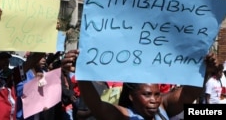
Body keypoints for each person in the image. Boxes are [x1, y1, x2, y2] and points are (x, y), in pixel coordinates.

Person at [61, 49, 219, 120]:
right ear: (131, 96)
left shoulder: (161, 108)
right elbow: (97, 105)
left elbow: (188, 94)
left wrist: (204, 71)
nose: (154, 100)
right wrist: (82, 74)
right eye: (147, 94)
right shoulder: (123, 116)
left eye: (157, 94)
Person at [0, 8, 45, 120]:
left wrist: (49, 35)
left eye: (7, 58)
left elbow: (33, 60)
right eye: (1, 58)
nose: (6, 61)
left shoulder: (11, 77)